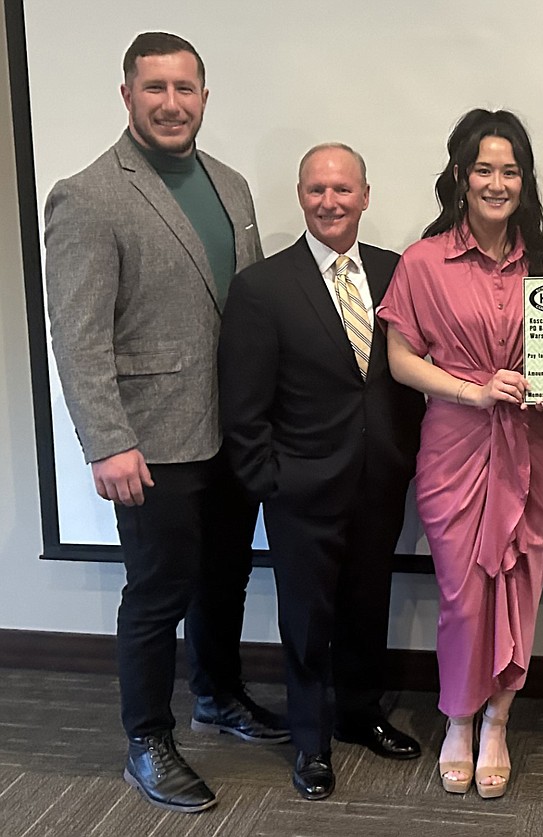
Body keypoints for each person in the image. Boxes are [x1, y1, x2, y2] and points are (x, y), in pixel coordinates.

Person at [43, 31, 287, 814]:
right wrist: (107, 439)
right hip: (152, 439)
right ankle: (147, 738)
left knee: (226, 577)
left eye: (186, 89)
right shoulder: (87, 195)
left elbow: (246, 312)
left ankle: (217, 695)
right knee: (156, 591)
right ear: (127, 96)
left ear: (205, 97)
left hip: (232, 432)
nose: (172, 104)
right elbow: (77, 335)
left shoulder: (232, 185)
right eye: (156, 89)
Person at [218, 143, 426, 801]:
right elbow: (243, 404)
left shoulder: (400, 274)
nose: (329, 202)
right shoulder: (262, 287)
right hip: (300, 488)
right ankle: (309, 740)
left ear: (365, 195)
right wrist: (269, 480)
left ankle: (360, 713)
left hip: (382, 476)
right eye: (316, 190)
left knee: (368, 603)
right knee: (307, 619)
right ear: (301, 196)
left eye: (342, 189)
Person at [378, 109, 543, 800]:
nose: (497, 182)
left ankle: (498, 719)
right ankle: (457, 716)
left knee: (521, 588)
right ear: (460, 176)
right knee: (462, 594)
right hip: (455, 450)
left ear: (525, 179)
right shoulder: (423, 260)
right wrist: (472, 389)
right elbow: (400, 359)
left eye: (510, 170)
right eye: (484, 168)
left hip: (532, 450)